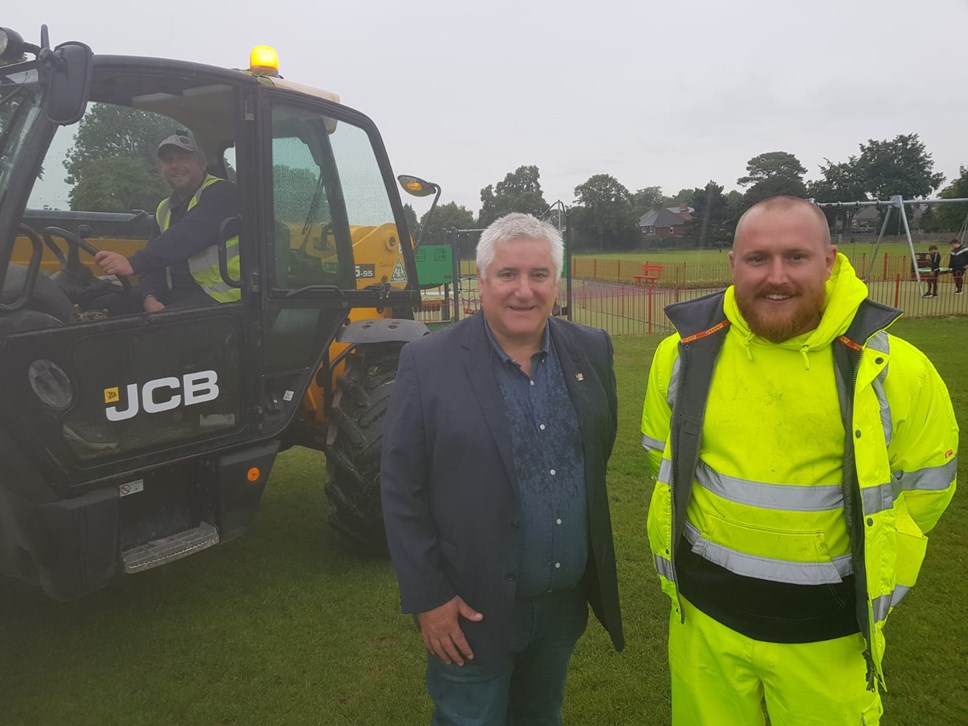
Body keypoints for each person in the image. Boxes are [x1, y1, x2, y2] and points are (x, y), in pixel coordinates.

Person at [640, 196, 957, 725]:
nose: (776, 277)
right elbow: (662, 460)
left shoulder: (897, 369)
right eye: (758, 259)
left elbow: (927, 487)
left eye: (796, 257)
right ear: (733, 265)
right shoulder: (682, 353)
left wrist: (864, 580)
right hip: (705, 622)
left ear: (830, 261)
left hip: (828, 636)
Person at [381, 213, 624, 725]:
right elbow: (402, 490)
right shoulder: (428, 362)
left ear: (556, 283)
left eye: (539, 275)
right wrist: (429, 597)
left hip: (563, 605)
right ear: (483, 280)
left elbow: (595, 450)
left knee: (541, 715)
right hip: (471, 609)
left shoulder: (592, 349)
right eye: (508, 275)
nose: (523, 291)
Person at [94, 132, 241, 312]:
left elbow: (187, 235)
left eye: (183, 158)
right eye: (168, 160)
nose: (175, 166)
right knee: (103, 305)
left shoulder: (223, 194)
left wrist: (133, 263)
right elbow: (155, 263)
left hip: (225, 297)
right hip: (179, 294)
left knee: (159, 329)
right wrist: (150, 297)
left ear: (202, 165)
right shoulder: (164, 209)